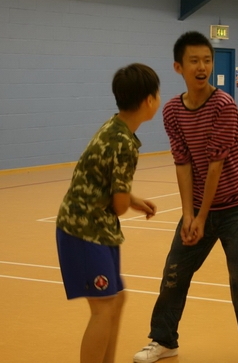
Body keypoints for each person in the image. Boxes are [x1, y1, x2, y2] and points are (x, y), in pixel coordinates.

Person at [133, 32, 238, 363]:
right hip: (200, 206)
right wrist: (189, 215)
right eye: (194, 61)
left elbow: (215, 165)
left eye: (207, 60)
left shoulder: (224, 106)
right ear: (178, 67)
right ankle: (164, 340)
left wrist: (201, 216)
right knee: (175, 270)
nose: (202, 67)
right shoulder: (173, 110)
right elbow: (183, 163)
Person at [56, 63, 161, 363]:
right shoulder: (124, 143)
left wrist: (132, 199)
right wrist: (127, 201)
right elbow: (118, 204)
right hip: (83, 230)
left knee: (116, 298)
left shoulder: (114, 127)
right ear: (148, 101)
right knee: (103, 307)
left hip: (97, 228)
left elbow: (106, 185)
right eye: (158, 94)